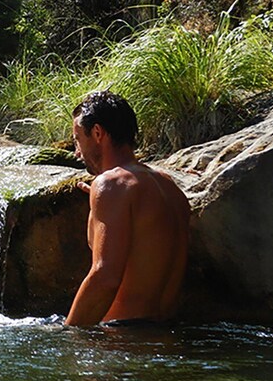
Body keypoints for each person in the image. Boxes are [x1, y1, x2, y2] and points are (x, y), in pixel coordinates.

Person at [65, 91, 190, 327]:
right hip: (164, 335)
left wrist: (68, 334)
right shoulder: (169, 186)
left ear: (97, 133)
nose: (77, 153)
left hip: (122, 340)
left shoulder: (111, 185)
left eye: (77, 140)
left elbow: (106, 278)